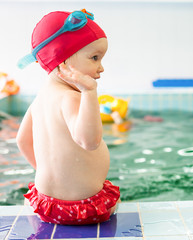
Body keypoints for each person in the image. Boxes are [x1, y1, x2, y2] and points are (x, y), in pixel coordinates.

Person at [16, 9, 120, 225]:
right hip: (83, 208)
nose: (101, 68)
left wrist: (50, 174)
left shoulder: (40, 98)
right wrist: (90, 92)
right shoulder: (72, 98)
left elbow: (22, 141)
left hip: (46, 204)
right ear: (63, 60)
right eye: (94, 58)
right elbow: (89, 142)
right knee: (114, 199)